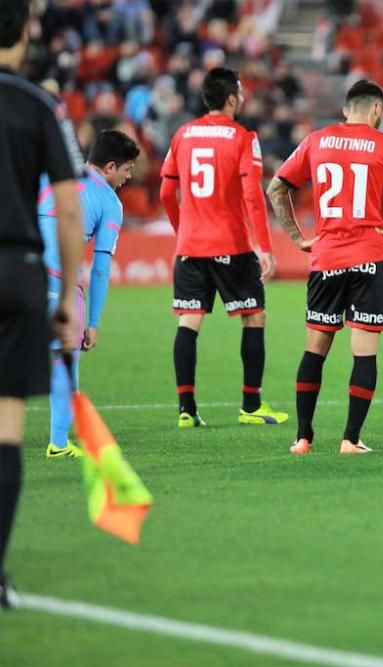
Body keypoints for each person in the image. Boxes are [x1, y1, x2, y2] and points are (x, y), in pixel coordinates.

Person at [267, 79, 383, 455]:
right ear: (378, 110)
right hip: (368, 256)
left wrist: (297, 236)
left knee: (315, 348)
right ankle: (350, 439)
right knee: (364, 352)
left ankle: (303, 438)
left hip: (326, 256)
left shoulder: (316, 140)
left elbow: (276, 188)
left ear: (347, 109)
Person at [0, 0, 85, 610]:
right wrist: (70, 297)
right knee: (6, 435)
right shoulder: (37, 104)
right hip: (16, 273)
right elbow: (70, 206)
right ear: (25, 31)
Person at [160, 67, 287, 429]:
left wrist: (182, 229)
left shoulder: (182, 135)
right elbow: (252, 195)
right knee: (254, 316)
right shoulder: (243, 138)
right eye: (241, 93)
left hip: (190, 245)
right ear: (231, 98)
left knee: (189, 321)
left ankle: (186, 409)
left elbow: (166, 192)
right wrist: (264, 246)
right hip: (231, 244)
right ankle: (251, 405)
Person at [40, 129, 140, 458]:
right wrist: (92, 321)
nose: (130, 176)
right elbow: (99, 268)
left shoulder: (50, 174)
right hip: (58, 282)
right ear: (110, 167)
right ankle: (58, 442)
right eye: (127, 168)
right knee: (65, 360)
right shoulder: (109, 202)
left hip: (15, 272)